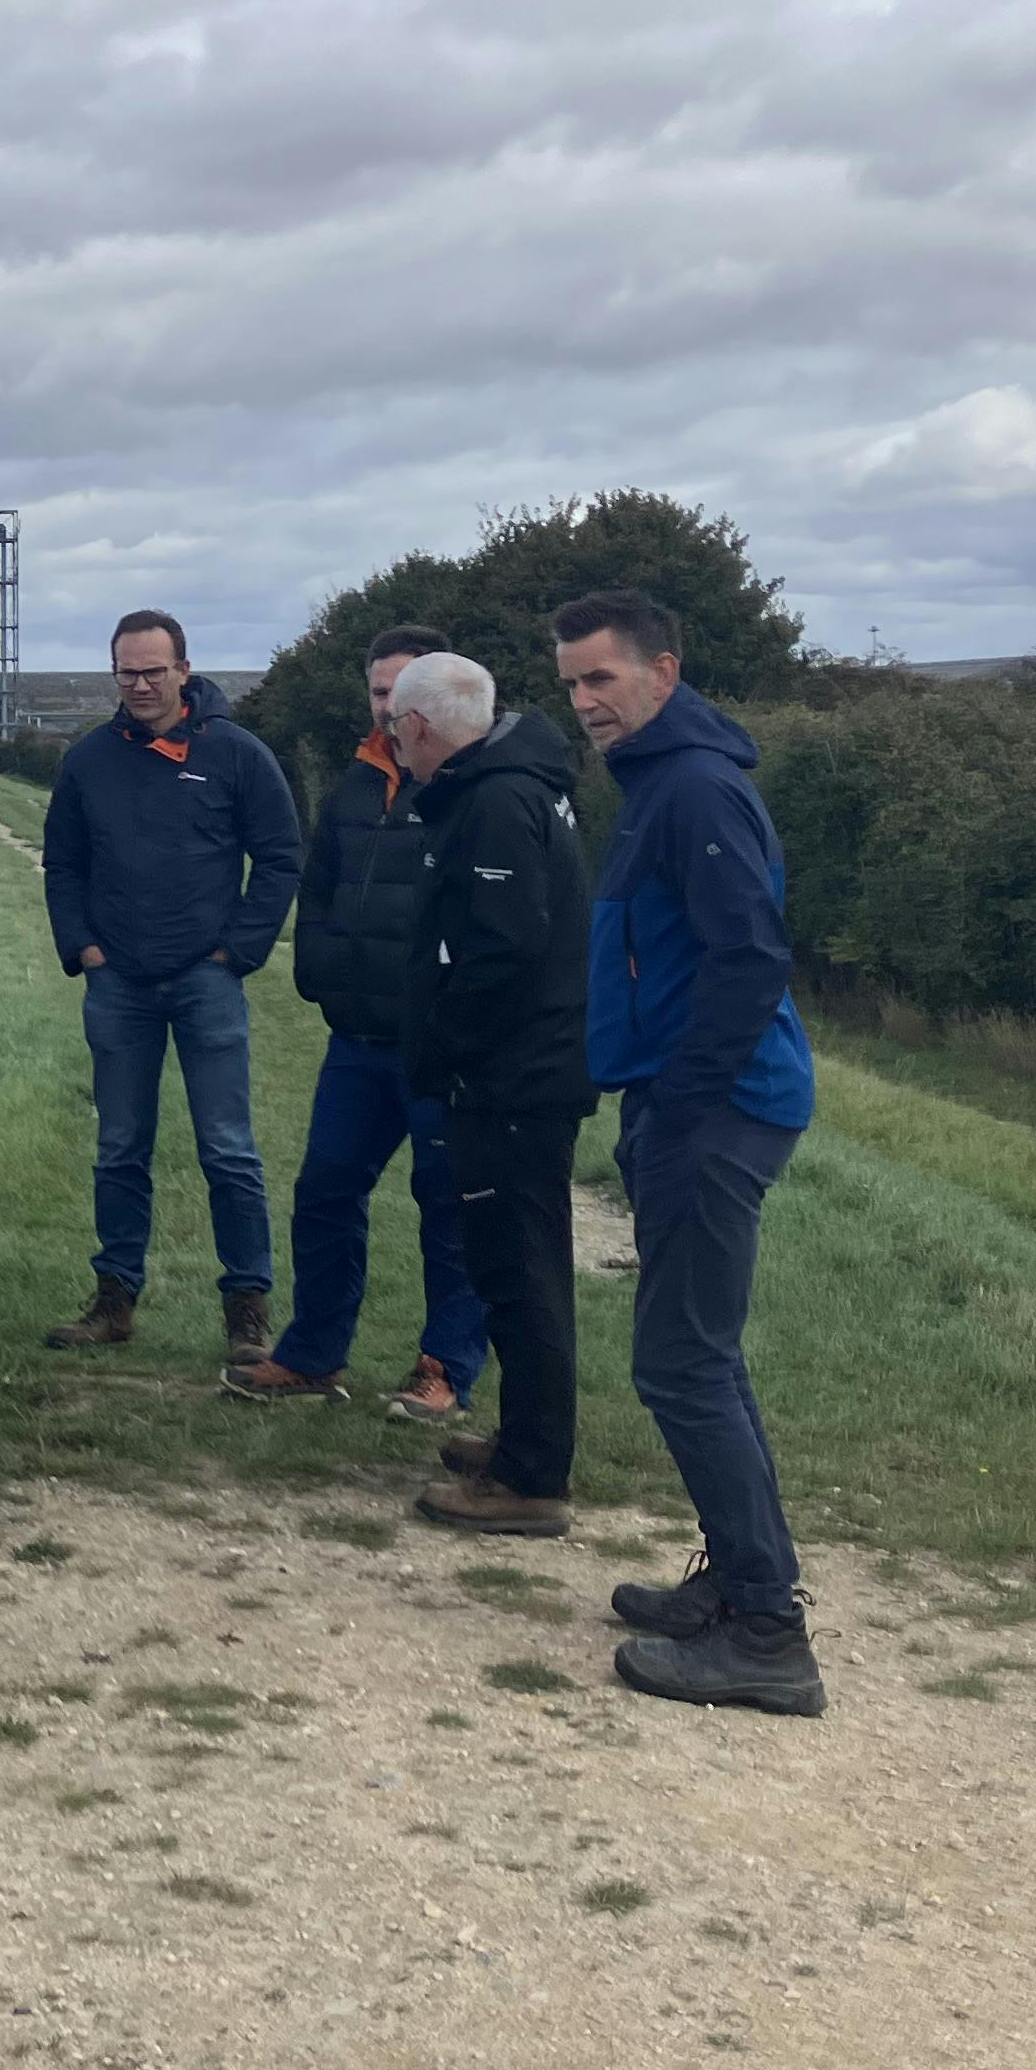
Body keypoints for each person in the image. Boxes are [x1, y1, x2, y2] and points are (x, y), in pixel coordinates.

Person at [555, 588, 827, 1719]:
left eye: (602, 679)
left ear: (662, 673)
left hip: (716, 1111)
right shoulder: (664, 781)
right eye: (570, 684)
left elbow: (750, 958)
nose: (584, 703)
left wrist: (679, 1102)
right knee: (699, 1355)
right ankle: (735, 1585)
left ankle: (768, 1631)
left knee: (681, 1362)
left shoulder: (698, 787)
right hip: (690, 1104)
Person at [235, 625, 494, 1420]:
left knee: (447, 1205)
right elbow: (318, 885)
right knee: (324, 1191)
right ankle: (313, 1354)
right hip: (357, 1038)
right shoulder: (355, 782)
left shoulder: (472, 789)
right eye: (378, 692)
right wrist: (317, 971)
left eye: (402, 694)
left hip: (439, 1044)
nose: (389, 709)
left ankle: (442, 1367)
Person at [38, 610, 304, 1377]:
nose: (143, 684)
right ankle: (114, 1302)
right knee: (120, 1147)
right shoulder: (90, 760)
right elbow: (63, 864)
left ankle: (248, 1312)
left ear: (185, 669)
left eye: (156, 670)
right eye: (128, 672)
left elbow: (280, 859)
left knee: (229, 1149)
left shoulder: (237, 755)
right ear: (113, 675)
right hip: (117, 981)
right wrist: (82, 948)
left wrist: (237, 952)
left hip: (205, 979)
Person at [374, 655, 594, 1539]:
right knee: (513, 1266)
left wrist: (446, 1049)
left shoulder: (498, 801)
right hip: (522, 1071)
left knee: (520, 1270)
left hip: (512, 1077)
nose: (396, 744)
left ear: (421, 728)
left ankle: (534, 1477)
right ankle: (523, 1443)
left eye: (397, 729)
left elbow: (499, 950)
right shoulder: (515, 783)